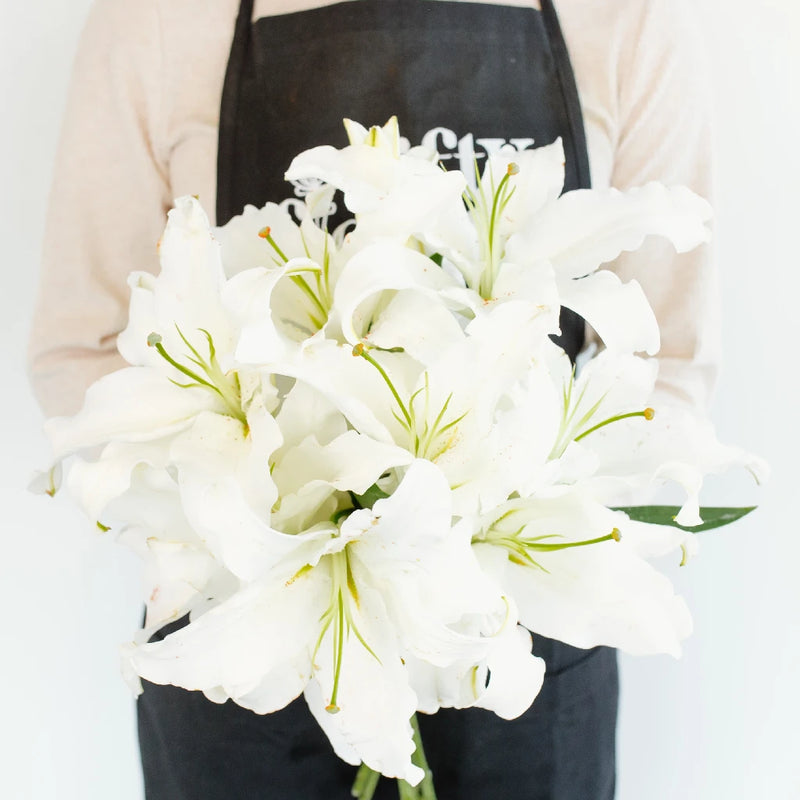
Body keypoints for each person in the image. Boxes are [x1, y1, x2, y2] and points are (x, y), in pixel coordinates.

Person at [28, 1, 718, 797]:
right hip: (255, 630)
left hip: (521, 621)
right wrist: (254, 515)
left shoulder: (628, 22)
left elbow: (669, 363)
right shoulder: (154, 23)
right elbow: (80, 349)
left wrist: (463, 539)